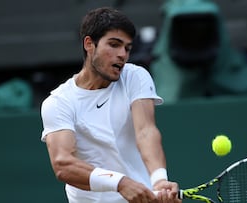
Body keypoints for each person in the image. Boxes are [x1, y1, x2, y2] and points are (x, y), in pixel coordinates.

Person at [40, 7, 180, 203]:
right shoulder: (58, 103)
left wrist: (159, 181)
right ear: (89, 44)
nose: (122, 54)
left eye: (127, 48)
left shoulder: (135, 76)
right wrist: (120, 183)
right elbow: (63, 165)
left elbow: (145, 131)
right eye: (114, 45)